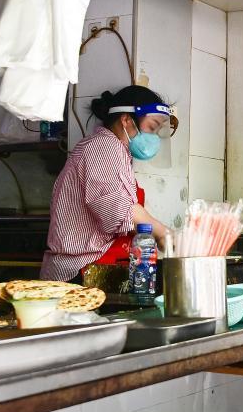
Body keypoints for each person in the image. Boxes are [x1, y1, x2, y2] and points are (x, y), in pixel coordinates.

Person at [40, 85, 173, 282]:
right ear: (126, 120)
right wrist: (164, 234)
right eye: (152, 127)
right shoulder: (103, 146)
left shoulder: (117, 151)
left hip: (92, 268)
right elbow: (121, 209)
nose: (153, 137)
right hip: (77, 274)